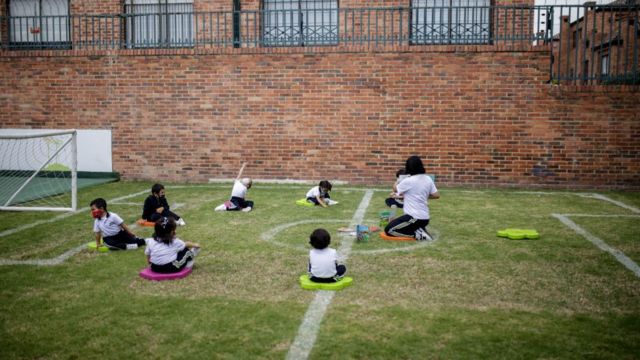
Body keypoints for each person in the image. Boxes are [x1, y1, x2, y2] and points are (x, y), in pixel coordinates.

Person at [384, 155, 440, 241]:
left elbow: (395, 189)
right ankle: (419, 229)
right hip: (425, 218)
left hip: (414, 218)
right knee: (397, 224)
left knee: (389, 230)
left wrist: (398, 180)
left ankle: (417, 235)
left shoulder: (409, 180)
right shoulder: (428, 179)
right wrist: (421, 195)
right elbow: (436, 195)